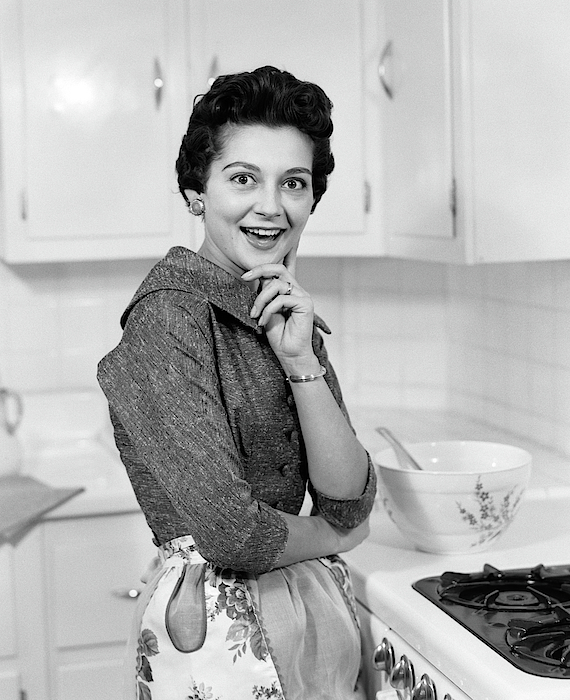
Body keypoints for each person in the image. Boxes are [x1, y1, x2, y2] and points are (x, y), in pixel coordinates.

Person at [97, 65, 376, 700]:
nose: (271, 207)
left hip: (306, 616)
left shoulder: (279, 308)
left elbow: (349, 496)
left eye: (293, 183)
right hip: (218, 638)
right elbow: (235, 532)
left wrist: (301, 358)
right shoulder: (168, 318)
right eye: (243, 178)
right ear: (198, 191)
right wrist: (334, 538)